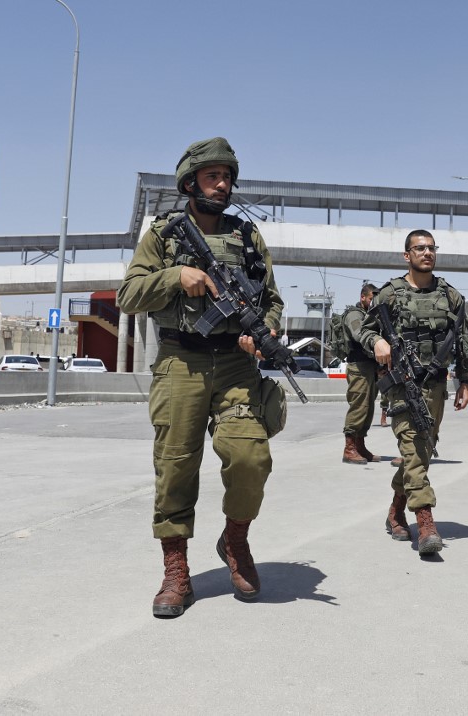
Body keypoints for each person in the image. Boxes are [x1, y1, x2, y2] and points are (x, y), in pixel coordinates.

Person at [117, 137, 284, 618]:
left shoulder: (247, 237)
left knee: (251, 455)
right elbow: (128, 294)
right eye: (213, 176)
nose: (223, 184)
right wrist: (177, 278)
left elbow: (271, 298)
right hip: (180, 361)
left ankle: (234, 541)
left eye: (228, 176)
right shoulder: (164, 236)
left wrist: (266, 330)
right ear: (190, 182)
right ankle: (176, 571)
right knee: (175, 466)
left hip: (234, 362)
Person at [359, 229, 468, 554]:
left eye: (431, 248)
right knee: (411, 446)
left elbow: (463, 340)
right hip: (401, 385)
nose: (427, 253)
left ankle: (395, 512)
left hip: (436, 385)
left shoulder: (451, 296)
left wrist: (465, 381)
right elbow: (364, 329)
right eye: (419, 248)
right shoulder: (390, 294)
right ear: (406, 255)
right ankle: (425, 524)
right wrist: (377, 341)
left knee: (421, 453)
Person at [341, 283, 383, 465]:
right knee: (359, 406)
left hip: (370, 366)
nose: (374, 301)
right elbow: (359, 335)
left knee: (369, 408)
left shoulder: (371, 316)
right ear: (363, 298)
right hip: (358, 367)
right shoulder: (354, 315)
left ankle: (360, 445)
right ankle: (349, 448)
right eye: (371, 298)